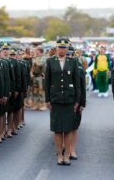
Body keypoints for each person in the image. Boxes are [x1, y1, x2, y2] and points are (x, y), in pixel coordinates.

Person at [45, 38, 80, 166]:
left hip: (70, 99)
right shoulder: (50, 62)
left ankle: (67, 155)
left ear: (67, 49)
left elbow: (77, 83)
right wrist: (47, 99)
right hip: (56, 100)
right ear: (56, 48)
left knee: (69, 129)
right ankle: (59, 154)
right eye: (60, 47)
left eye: (64, 47)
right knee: (58, 129)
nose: (62, 49)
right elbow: (47, 82)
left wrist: (77, 100)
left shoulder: (73, 61)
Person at [31, 46, 47, 110]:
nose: (35, 52)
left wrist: (35, 61)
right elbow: (32, 66)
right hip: (35, 76)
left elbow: (40, 64)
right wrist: (31, 73)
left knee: (41, 91)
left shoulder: (43, 57)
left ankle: (42, 105)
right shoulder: (36, 57)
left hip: (40, 76)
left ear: (40, 51)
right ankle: (36, 105)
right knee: (35, 91)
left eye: (36, 50)